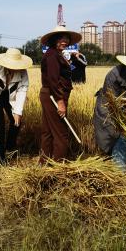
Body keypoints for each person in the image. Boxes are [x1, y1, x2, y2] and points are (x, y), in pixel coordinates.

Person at [39, 25, 82, 163]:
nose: (65, 41)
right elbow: (53, 80)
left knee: (48, 130)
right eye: (61, 38)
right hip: (54, 96)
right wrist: (60, 101)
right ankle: (59, 164)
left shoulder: (55, 54)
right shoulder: (52, 55)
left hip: (50, 94)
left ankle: (44, 161)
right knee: (61, 132)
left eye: (67, 39)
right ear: (54, 40)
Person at [0, 48, 32, 164]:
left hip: (12, 97)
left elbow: (22, 90)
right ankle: (1, 155)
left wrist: (18, 112)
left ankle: (10, 147)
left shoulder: (23, 72)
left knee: (16, 122)